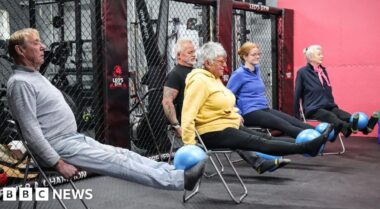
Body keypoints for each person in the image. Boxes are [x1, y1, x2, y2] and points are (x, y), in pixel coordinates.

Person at [6, 28, 205, 191]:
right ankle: (181, 180)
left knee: (125, 155)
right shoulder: (20, 83)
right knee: (119, 162)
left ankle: (174, 172)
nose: (43, 47)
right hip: (59, 147)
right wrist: (58, 163)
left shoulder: (33, 76)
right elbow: (31, 133)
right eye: (35, 43)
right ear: (20, 50)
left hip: (72, 138)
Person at [181, 41, 332, 157]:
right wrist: (189, 144)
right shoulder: (199, 80)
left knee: (265, 137)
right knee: (260, 142)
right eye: (221, 62)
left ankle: (309, 142)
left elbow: (226, 102)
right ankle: (305, 148)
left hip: (227, 125)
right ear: (207, 63)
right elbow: (188, 114)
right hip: (211, 132)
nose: (225, 66)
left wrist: (234, 114)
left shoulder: (214, 79)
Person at [163, 39, 290, 174]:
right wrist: (176, 125)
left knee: (235, 129)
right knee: (232, 132)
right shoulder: (175, 74)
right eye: (190, 52)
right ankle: (261, 161)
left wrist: (233, 113)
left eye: (194, 51)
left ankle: (262, 161)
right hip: (193, 123)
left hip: (211, 118)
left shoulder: (200, 72)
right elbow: (167, 101)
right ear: (178, 56)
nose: (194, 54)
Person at [227, 42, 315, 139]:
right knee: (283, 124)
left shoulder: (256, 71)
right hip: (249, 112)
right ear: (245, 57)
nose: (257, 57)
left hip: (263, 108)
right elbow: (227, 95)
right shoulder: (239, 74)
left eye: (258, 54)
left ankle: (319, 132)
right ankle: (313, 139)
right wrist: (237, 113)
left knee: (293, 121)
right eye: (253, 55)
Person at [294, 45, 379, 137]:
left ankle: (366, 128)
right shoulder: (302, 72)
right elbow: (297, 95)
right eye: (319, 54)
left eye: (322, 54)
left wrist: (331, 104)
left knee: (346, 116)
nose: (322, 56)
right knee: (332, 117)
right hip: (313, 109)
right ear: (311, 57)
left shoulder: (322, 71)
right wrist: (296, 117)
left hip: (328, 106)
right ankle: (349, 129)